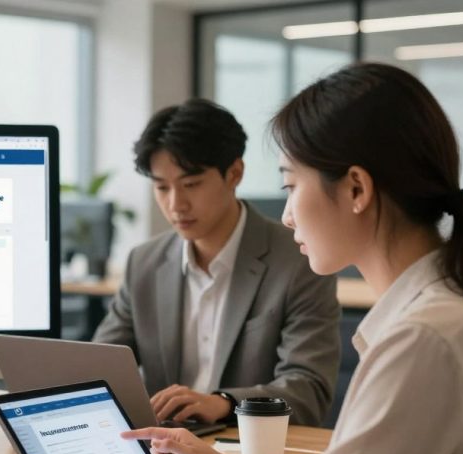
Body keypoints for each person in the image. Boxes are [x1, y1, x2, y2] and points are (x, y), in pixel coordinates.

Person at [82, 63, 463, 454]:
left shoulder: (423, 341)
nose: (288, 215)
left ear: (356, 189)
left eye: (291, 186)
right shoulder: (438, 317)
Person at [92, 98, 340, 426]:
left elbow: (308, 389)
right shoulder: (144, 263)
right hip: (162, 446)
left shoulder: (300, 259)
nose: (176, 204)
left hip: (248, 446)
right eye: (162, 187)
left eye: (191, 185)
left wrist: (223, 403)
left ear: (234, 173)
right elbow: (99, 367)